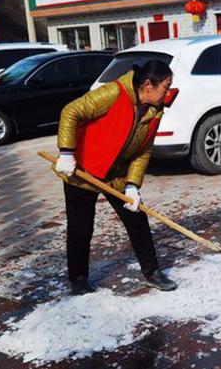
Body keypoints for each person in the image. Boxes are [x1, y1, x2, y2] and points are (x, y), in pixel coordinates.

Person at [53, 60, 179, 295]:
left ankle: (152, 272)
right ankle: (78, 279)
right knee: (81, 227)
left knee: (137, 219)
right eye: (166, 85)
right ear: (148, 85)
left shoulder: (155, 109)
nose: (168, 91)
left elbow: (143, 150)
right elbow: (71, 111)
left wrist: (132, 185)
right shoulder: (113, 93)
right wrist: (67, 153)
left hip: (116, 173)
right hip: (82, 169)